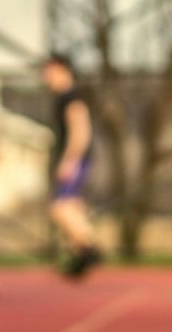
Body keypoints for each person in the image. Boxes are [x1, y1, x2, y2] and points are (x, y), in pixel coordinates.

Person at [43, 53, 102, 278]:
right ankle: (81, 257)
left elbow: (81, 129)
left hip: (76, 159)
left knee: (60, 208)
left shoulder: (71, 97)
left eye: (49, 70)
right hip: (74, 158)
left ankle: (90, 249)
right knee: (74, 207)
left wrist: (70, 160)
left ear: (62, 69)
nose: (45, 75)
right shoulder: (62, 96)